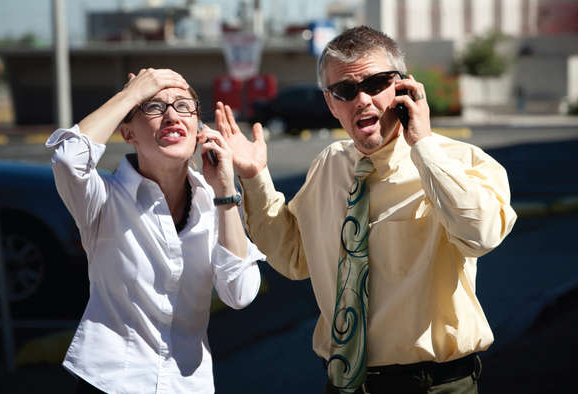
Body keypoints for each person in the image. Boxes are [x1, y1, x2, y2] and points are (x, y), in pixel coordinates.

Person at [216, 26, 517, 394]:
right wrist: (253, 176)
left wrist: (423, 148)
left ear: (403, 87)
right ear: (331, 103)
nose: (362, 99)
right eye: (345, 90)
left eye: (376, 83)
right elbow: (294, 256)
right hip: (343, 384)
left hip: (432, 385)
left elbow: (481, 234)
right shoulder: (329, 165)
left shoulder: (462, 161)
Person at [45, 68, 264, 393]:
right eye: (154, 107)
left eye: (183, 106)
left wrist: (226, 190)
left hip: (188, 385)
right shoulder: (104, 198)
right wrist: (131, 94)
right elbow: (68, 160)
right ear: (128, 133)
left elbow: (240, 294)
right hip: (109, 383)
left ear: (198, 129)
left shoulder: (214, 199)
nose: (172, 115)